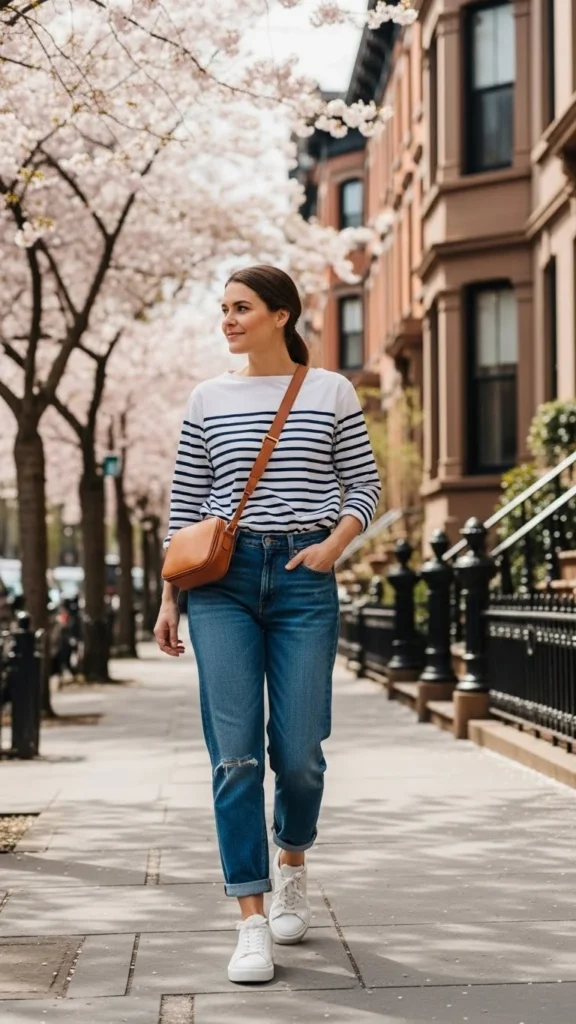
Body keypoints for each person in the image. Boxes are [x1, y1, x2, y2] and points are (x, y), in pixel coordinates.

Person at [154, 265, 381, 984]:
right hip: (222, 582)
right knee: (235, 756)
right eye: (223, 308)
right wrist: (169, 597)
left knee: (301, 750)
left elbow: (366, 485)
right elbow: (187, 502)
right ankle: (250, 920)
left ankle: (292, 860)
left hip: (302, 580)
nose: (228, 319)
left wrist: (333, 546)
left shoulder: (330, 391)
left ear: (281, 315)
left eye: (242, 307)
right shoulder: (207, 398)